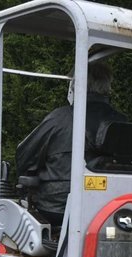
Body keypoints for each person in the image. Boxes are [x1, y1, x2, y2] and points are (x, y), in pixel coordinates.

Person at [15, 61, 126, 226]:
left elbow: (24, 157)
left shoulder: (59, 119)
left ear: (75, 85)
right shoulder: (122, 123)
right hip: (112, 210)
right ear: (107, 87)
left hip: (57, 208)